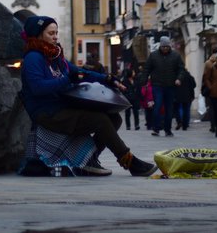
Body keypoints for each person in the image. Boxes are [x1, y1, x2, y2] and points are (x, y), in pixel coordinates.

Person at [19, 15, 157, 176]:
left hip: (61, 107)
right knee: (100, 120)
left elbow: (79, 72)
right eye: (51, 33)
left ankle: (88, 159)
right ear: (38, 35)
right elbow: (37, 88)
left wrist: (107, 78)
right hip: (47, 112)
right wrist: (66, 80)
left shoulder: (53, 56)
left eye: (56, 32)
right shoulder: (33, 58)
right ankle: (130, 162)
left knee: (114, 118)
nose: (55, 37)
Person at [144, 36, 184, 137]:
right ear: (160, 46)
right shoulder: (153, 56)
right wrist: (144, 80)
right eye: (163, 47)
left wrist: (179, 78)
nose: (165, 48)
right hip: (157, 85)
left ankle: (167, 129)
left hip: (170, 86)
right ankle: (156, 128)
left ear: (169, 46)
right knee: (157, 107)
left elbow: (181, 69)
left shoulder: (176, 56)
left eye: (167, 46)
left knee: (169, 109)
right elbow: (147, 69)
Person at [202, 45, 217, 132]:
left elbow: (205, 77)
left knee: (211, 108)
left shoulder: (207, 63)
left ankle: (213, 126)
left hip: (210, 89)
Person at [121, 65, 141, 130]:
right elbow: (123, 90)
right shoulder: (124, 81)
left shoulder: (136, 80)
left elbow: (138, 89)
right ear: (130, 73)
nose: (134, 73)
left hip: (135, 99)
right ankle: (128, 126)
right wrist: (126, 96)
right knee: (127, 113)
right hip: (128, 99)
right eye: (133, 72)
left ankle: (137, 125)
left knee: (136, 112)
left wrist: (139, 97)